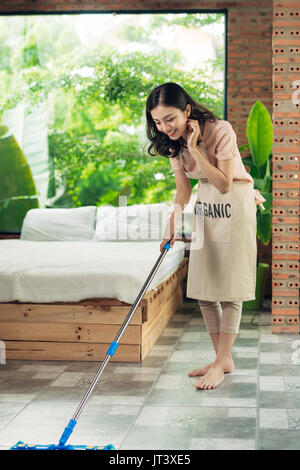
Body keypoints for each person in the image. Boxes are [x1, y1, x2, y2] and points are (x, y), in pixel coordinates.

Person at [145, 82, 265, 390]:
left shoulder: (220, 130)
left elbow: (225, 183)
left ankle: (223, 360)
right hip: (207, 203)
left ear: (187, 110)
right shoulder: (171, 143)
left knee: (231, 287)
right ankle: (220, 358)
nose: (164, 127)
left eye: (169, 118)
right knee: (204, 288)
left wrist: (197, 148)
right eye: (157, 121)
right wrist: (171, 221)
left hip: (235, 201)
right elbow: (184, 190)